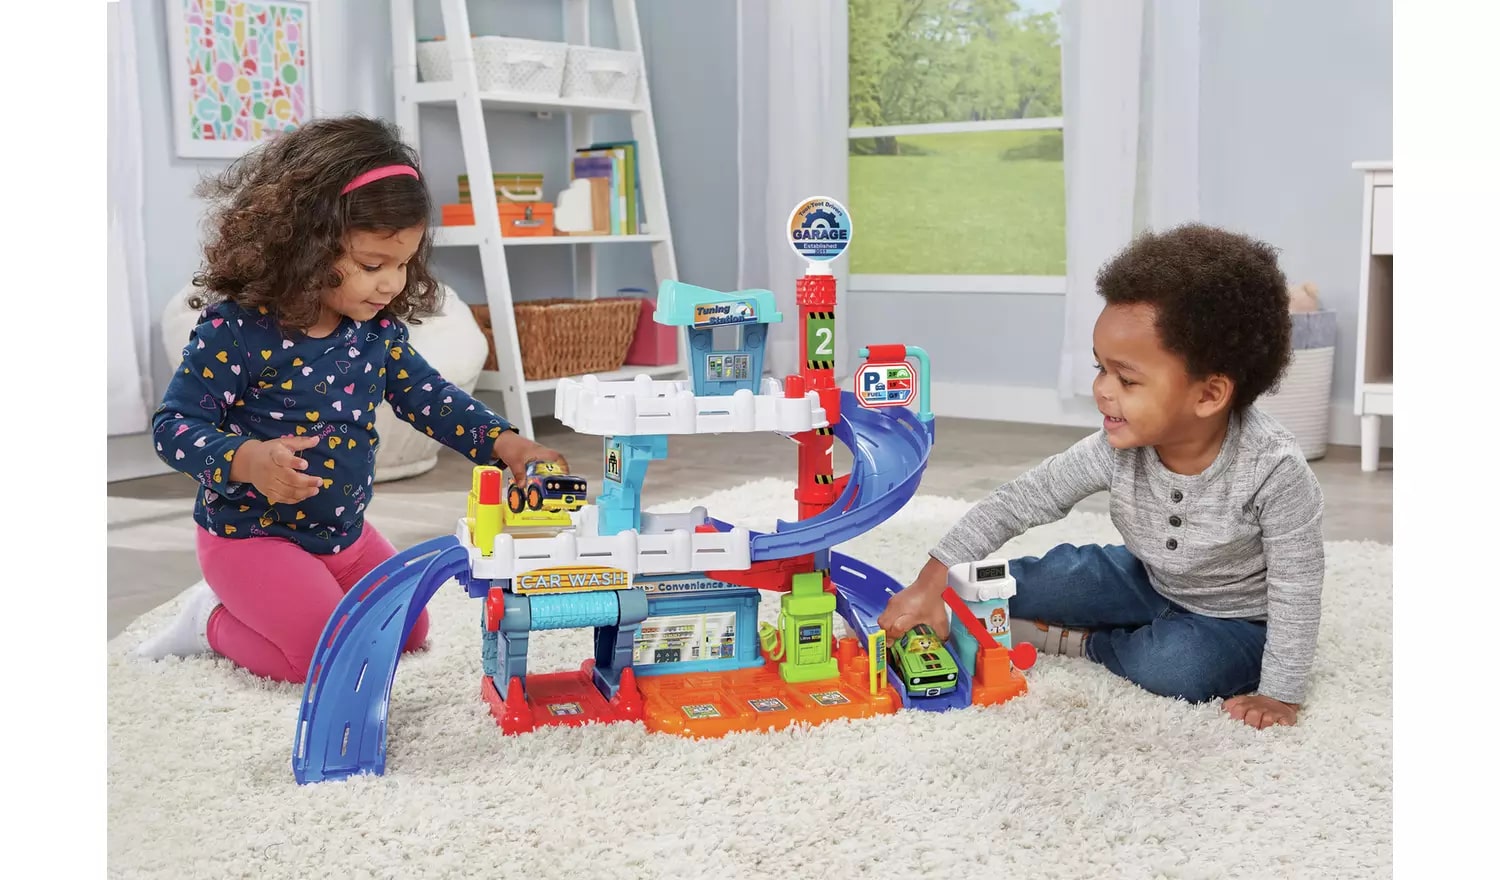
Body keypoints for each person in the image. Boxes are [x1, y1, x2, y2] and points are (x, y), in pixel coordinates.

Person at [134, 115, 568, 683]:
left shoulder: (374, 333)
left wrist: (507, 445)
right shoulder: (236, 330)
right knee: (321, 659)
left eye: (403, 263)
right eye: (372, 265)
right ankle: (208, 622)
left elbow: (431, 397)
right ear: (306, 246)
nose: (392, 283)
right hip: (250, 537)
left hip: (343, 534)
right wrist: (246, 460)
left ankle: (297, 597)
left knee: (409, 634)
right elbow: (173, 426)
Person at [879, 223, 1325, 730]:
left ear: (1208, 395)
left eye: (1127, 379)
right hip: (1147, 578)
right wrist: (931, 584)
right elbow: (1019, 501)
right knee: (1048, 579)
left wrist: (1280, 694)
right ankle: (994, 605)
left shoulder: (1275, 470)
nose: (1102, 391)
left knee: (1178, 667)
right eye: (1100, 369)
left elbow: (1297, 588)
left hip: (1235, 620)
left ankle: (1087, 644)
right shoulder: (1117, 447)